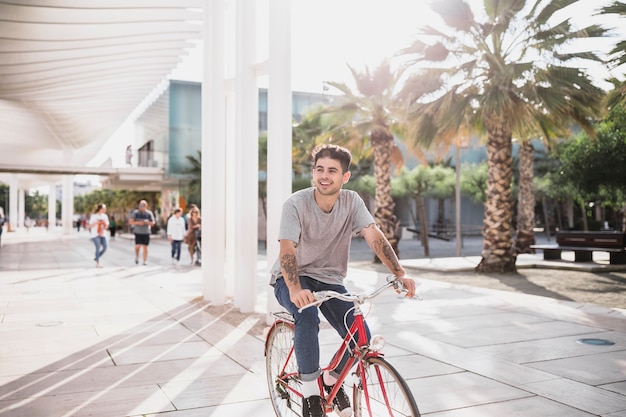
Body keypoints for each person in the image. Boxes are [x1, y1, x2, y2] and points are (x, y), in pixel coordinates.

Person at [269, 144, 417, 417]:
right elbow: (287, 248)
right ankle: (312, 395)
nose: (324, 176)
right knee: (307, 314)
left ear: (344, 177)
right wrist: (294, 288)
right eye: (319, 170)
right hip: (292, 278)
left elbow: (374, 236)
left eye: (332, 171)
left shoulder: (352, 202)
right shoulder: (296, 204)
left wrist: (399, 273)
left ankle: (330, 379)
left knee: (361, 338)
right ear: (314, 173)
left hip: (330, 279)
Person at [129, 200, 155, 265]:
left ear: (146, 206)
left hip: (146, 232)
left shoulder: (149, 213)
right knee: (137, 246)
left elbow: (153, 222)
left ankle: (145, 260)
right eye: (140, 205)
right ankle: (137, 256)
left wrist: (148, 223)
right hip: (138, 232)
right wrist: (139, 223)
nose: (141, 207)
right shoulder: (135, 213)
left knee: (145, 247)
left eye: (143, 205)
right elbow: (131, 221)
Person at [89, 204, 109, 268]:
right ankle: (98, 262)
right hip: (95, 234)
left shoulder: (105, 216)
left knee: (105, 247)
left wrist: (103, 229)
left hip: (103, 234)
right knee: (98, 247)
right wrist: (97, 222)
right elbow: (90, 226)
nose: (105, 210)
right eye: (104, 208)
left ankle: (97, 257)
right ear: (100, 209)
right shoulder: (94, 216)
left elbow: (107, 225)